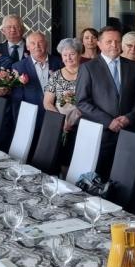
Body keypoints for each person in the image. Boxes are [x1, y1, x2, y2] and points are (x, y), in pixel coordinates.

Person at [75, 26, 135, 179]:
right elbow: (82, 102)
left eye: (117, 41)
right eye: (109, 42)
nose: (114, 45)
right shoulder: (88, 68)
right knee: (100, 178)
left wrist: (129, 117)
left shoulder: (133, 66)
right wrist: (109, 121)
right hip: (101, 134)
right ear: (99, 44)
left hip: (129, 130)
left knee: (129, 178)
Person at [11, 32, 63, 132]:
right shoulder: (18, 67)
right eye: (33, 43)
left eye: (40, 42)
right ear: (27, 47)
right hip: (31, 119)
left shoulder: (60, 63)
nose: (37, 46)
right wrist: (19, 123)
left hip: (56, 116)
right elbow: (17, 100)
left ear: (46, 44)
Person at [42, 38, 82, 170]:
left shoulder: (87, 73)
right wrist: (62, 121)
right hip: (60, 126)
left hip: (83, 124)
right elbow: (47, 102)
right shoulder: (56, 76)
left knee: (79, 160)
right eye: (65, 55)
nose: (68, 58)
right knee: (60, 160)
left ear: (79, 54)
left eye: (72, 54)